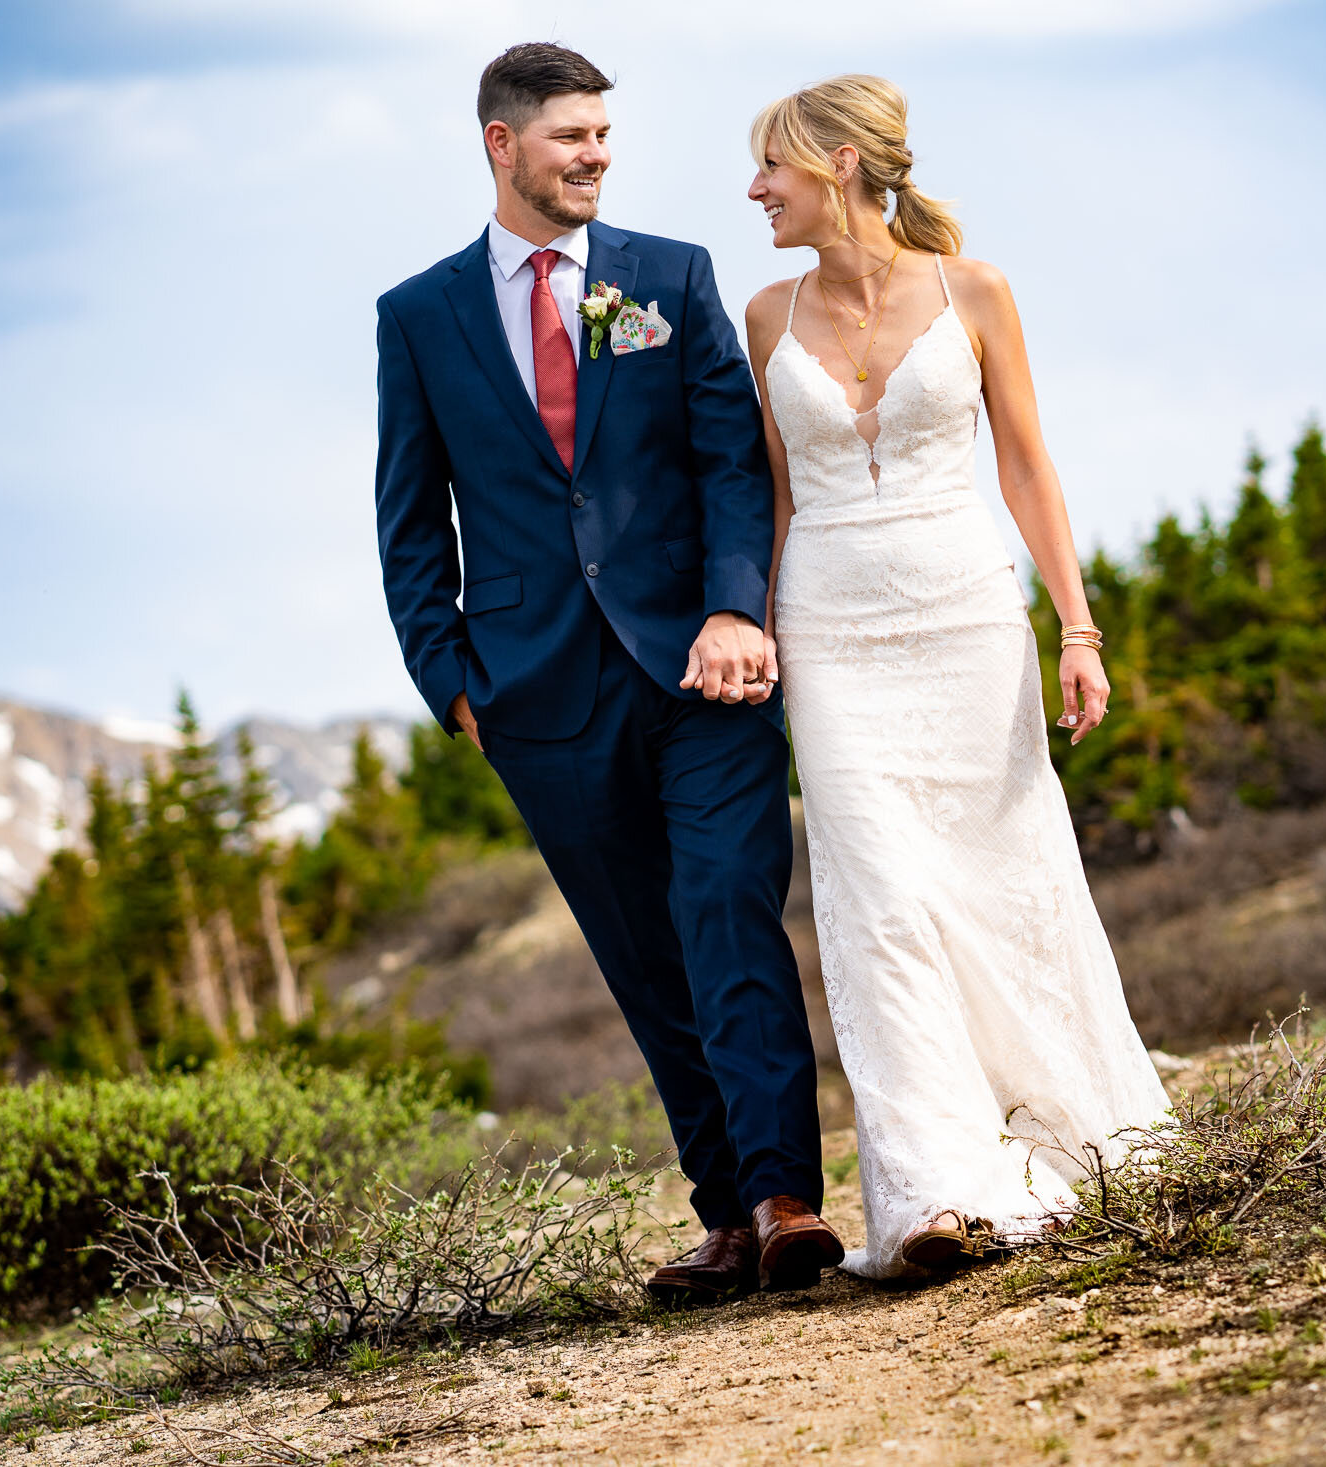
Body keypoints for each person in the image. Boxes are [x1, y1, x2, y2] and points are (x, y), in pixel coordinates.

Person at [374, 42, 841, 1304]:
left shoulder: (671, 277)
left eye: (602, 136)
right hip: (535, 694)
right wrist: (453, 683)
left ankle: (784, 1195)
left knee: (727, 908)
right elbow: (410, 518)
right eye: (571, 137)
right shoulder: (417, 317)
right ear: (502, 143)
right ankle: (727, 1217)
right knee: (642, 956)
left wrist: (736, 610)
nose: (595, 156)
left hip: (704, 669)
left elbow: (733, 466)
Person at [741, 75, 1171, 1278]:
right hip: (830, 634)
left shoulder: (974, 293)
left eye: (770, 165)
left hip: (968, 619)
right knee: (880, 907)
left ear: (836, 164)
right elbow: (770, 498)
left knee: (1003, 882)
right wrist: (759, 633)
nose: (754, 189)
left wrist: (1078, 630)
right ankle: (932, 1192)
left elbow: (1029, 469)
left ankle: (1063, 1138)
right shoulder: (763, 315)